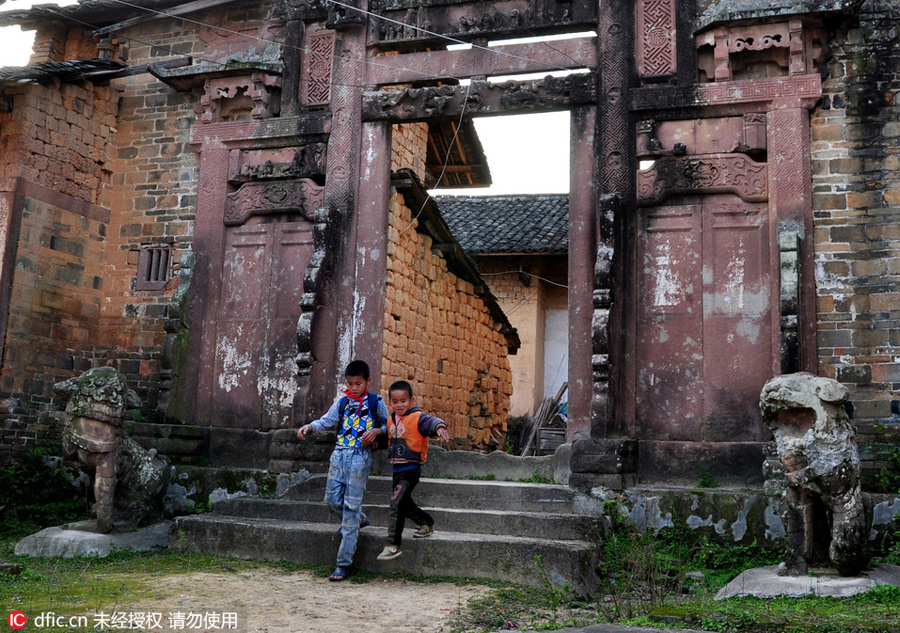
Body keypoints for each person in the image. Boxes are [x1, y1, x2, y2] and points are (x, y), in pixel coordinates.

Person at [297, 359, 388, 581]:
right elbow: (327, 420)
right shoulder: (343, 401)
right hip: (339, 455)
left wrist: (377, 431)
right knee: (331, 500)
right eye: (350, 383)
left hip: (360, 456)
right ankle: (360, 519)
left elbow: (390, 425)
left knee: (350, 507)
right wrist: (310, 426)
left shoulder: (376, 402)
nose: (354, 387)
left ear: (368, 381)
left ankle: (343, 564)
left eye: (358, 383)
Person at [376, 380, 451, 561]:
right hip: (397, 470)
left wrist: (439, 427)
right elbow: (387, 437)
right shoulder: (390, 420)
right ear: (390, 402)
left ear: (411, 400)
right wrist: (374, 436)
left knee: (396, 502)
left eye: (403, 401)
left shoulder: (418, 418)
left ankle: (393, 544)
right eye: (395, 401)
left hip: (411, 470)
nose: (399, 405)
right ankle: (426, 522)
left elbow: (431, 421)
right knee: (403, 503)